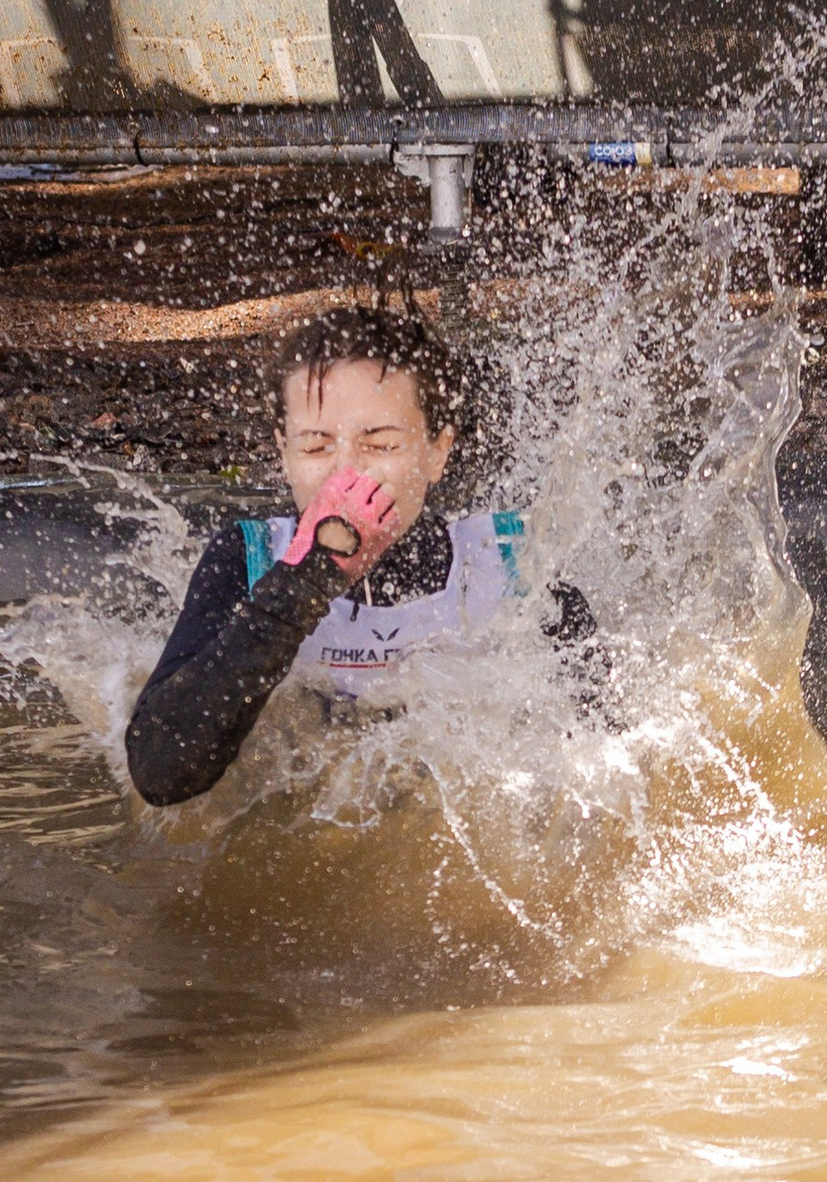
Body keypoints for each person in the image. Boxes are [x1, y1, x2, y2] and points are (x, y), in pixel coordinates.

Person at [126, 302, 595, 806]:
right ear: (283, 453)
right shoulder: (249, 559)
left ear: (438, 451)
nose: (346, 474)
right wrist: (306, 581)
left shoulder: (511, 568)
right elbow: (160, 775)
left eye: (381, 445)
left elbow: (607, 768)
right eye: (316, 448)